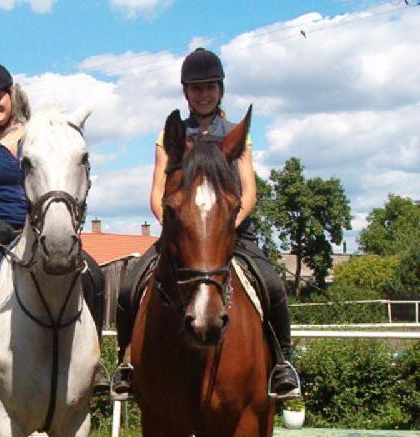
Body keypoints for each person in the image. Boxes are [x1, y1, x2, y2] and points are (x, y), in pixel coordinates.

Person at [111, 48, 301, 401]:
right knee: (129, 285)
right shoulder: (170, 136)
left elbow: (249, 191)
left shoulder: (235, 134)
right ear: (186, 92)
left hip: (231, 232)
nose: (204, 94)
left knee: (272, 284)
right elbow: (157, 192)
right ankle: (126, 361)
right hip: (182, 233)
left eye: (210, 87)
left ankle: (283, 362)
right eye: (197, 88)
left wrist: (226, 227)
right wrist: (177, 227)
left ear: (220, 89)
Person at [0, 60, 108, 398]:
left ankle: (95, 360)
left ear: (11, 93)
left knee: (92, 274)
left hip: (37, 228)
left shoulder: (37, 136)